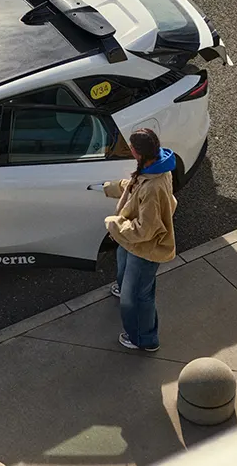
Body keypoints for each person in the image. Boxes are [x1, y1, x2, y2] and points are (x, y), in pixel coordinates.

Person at [101, 129, 178, 351]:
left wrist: (114, 225)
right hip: (133, 243)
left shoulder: (153, 187)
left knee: (137, 297)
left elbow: (146, 230)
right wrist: (112, 187)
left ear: (137, 152)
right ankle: (125, 287)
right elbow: (136, 185)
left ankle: (144, 339)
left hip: (145, 248)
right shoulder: (155, 168)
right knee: (124, 267)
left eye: (131, 147)